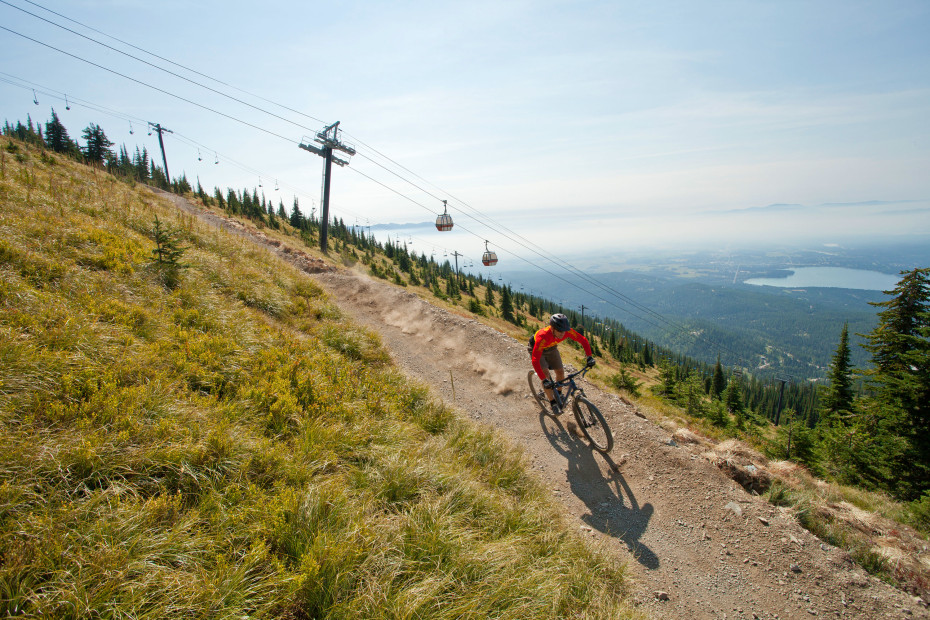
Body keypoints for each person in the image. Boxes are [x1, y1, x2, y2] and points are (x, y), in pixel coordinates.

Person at [528, 313, 596, 414]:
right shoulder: (543, 337)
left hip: (551, 348)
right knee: (546, 375)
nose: (562, 334)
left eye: (564, 331)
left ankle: (559, 394)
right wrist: (543, 379)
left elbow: (583, 340)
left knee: (560, 372)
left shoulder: (566, 331)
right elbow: (535, 360)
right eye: (559, 331)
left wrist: (589, 356)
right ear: (552, 328)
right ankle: (553, 403)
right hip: (537, 349)